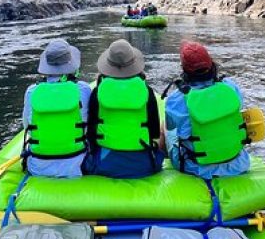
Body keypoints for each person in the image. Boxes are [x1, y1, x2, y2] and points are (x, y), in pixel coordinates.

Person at [164, 41, 250, 178]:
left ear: (184, 70)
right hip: (238, 163)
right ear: (211, 65)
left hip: (196, 168)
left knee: (168, 129)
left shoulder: (176, 100)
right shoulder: (231, 87)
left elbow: (172, 130)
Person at [84, 39, 164, 178]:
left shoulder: (97, 93)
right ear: (132, 64)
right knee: (162, 133)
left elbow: (91, 133)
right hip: (143, 166)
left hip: (104, 164)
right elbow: (155, 133)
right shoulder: (148, 91)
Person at [22, 39, 92, 178]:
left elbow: (26, 126)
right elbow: (90, 125)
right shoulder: (83, 89)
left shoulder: (31, 92)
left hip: (38, 168)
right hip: (77, 167)